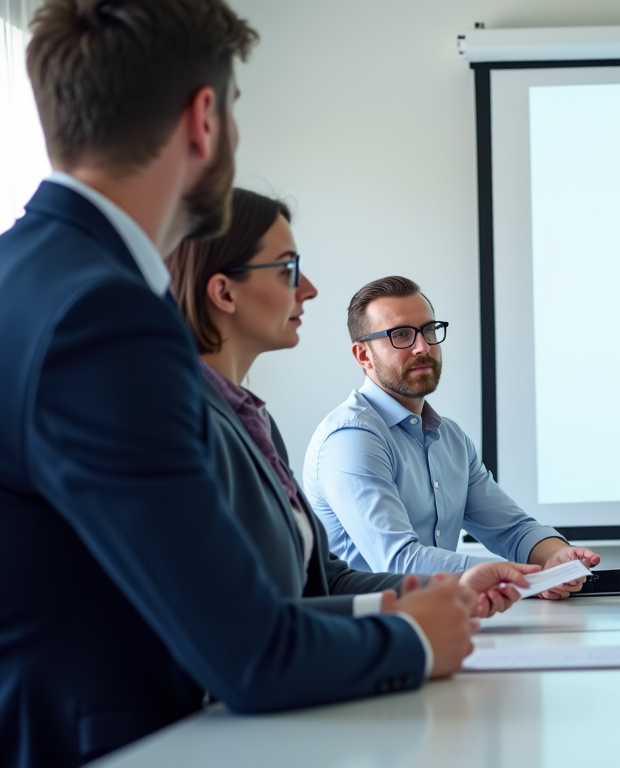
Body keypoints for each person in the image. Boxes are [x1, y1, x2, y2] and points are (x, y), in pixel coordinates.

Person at [0, 3, 474, 766]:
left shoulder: (26, 274)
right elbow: (248, 653)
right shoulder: (105, 314)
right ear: (204, 120)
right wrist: (415, 641)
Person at [166, 188, 537, 619]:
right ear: (224, 293)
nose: (309, 289)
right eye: (287, 269)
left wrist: (459, 586)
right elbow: (234, 622)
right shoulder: (188, 425)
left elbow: (325, 581)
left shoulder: (255, 421)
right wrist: (411, 636)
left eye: (427, 331)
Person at [304, 276, 600, 598]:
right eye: (401, 334)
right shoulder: (351, 438)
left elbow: (513, 530)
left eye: (429, 330)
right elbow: (398, 562)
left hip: (439, 616)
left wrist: (555, 556)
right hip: (366, 625)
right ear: (363, 355)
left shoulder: (451, 439)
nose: (423, 347)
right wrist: (517, 577)